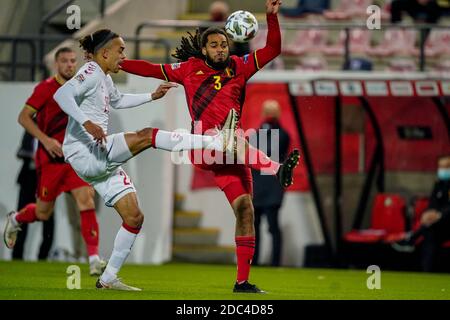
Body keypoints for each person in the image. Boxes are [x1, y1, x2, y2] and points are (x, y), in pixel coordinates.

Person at [14, 29, 236, 291]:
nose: (124, 56)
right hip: (84, 152)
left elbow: (118, 101)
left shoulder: (104, 77)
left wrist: (151, 96)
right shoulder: (91, 71)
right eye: (120, 51)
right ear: (104, 53)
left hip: (98, 157)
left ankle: (107, 279)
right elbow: (61, 95)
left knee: (134, 217)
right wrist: (86, 122)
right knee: (147, 136)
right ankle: (215, 141)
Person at [120, 0, 300, 293]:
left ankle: (242, 282)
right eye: (214, 45)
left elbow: (273, 50)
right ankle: (276, 169)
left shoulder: (240, 67)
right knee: (233, 136)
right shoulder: (189, 69)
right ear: (204, 49)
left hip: (233, 154)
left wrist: (271, 17)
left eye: (224, 44)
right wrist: (119, 64)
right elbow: (151, 69)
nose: (220, 49)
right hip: (204, 144)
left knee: (245, 210)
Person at [3, 47, 106, 276]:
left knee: (86, 200)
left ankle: (94, 259)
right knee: (43, 213)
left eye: (72, 61)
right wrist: (45, 140)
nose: (70, 65)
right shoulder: (45, 88)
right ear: (56, 65)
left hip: (74, 160)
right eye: (65, 61)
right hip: (50, 160)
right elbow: (23, 117)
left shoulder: (81, 88)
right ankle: (17, 218)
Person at [392, 154, 450, 272]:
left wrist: (438, 215)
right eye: (441, 167)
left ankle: (411, 238)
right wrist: (427, 214)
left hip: (447, 223)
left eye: (446, 167)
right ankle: (427, 272)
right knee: (430, 234)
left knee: (430, 229)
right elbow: (432, 203)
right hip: (437, 225)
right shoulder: (438, 184)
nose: (443, 170)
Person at [251, 100, 290, 267]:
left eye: (272, 111)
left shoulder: (282, 134)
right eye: (268, 110)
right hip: (257, 186)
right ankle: (254, 261)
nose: (270, 113)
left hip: (272, 187)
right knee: (255, 228)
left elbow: (274, 148)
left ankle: (275, 262)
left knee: (273, 227)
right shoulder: (255, 134)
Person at [12, 131, 55, 260]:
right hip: (28, 178)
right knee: (22, 215)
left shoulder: (53, 129)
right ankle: (17, 256)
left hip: (47, 178)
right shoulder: (30, 128)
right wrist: (34, 156)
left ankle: (43, 257)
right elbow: (21, 151)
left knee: (48, 219)